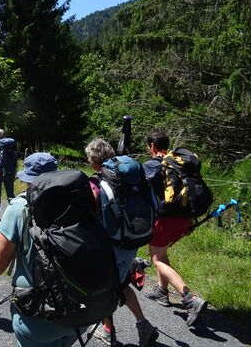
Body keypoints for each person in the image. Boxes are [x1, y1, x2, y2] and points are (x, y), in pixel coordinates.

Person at [0, 152, 89, 347]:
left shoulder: (20, 206)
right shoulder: (76, 202)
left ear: (28, 179)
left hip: (38, 316)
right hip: (77, 313)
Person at [85, 138, 158, 347]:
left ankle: (108, 331)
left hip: (109, 246)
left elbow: (88, 213)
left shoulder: (99, 183)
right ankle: (143, 325)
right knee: (122, 283)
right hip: (132, 241)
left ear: (94, 161)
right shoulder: (129, 179)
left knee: (105, 289)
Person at [143, 130, 207, 327]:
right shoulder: (179, 161)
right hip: (186, 217)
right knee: (161, 254)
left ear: (152, 146)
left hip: (166, 218)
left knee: (155, 258)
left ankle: (189, 298)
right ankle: (162, 291)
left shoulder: (155, 165)